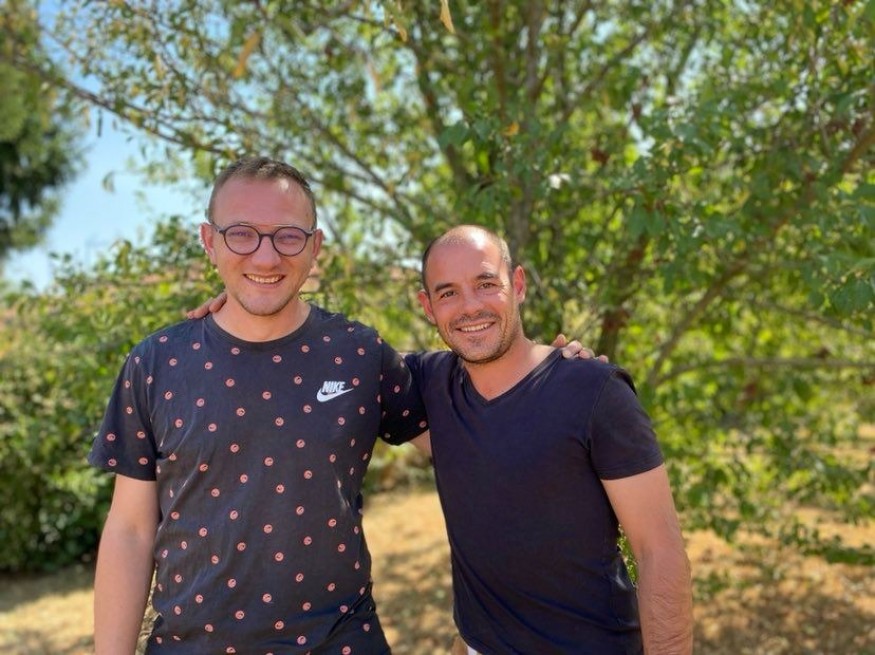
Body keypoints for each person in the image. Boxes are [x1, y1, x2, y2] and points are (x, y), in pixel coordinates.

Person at [88, 157, 431, 654]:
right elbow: (130, 531)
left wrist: (542, 368)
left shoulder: (360, 353)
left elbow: (470, 436)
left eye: (288, 236)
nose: (266, 258)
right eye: (241, 234)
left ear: (315, 247)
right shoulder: (156, 362)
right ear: (209, 241)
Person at [406, 225, 693, 654]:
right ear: (428, 307)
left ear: (518, 285)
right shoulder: (427, 386)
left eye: (486, 284)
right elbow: (333, 362)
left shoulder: (594, 391)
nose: (470, 307)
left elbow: (660, 552)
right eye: (448, 293)